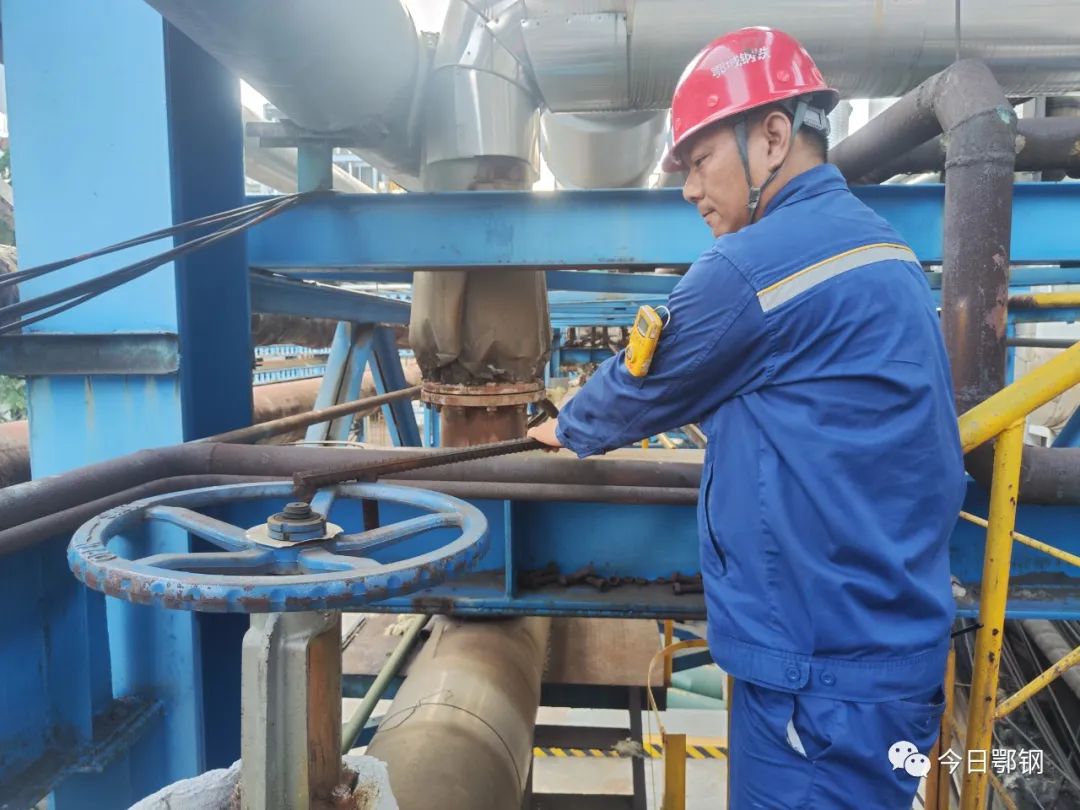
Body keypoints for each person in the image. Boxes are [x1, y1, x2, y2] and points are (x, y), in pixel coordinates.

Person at [527, 27, 966, 809]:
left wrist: (565, 426)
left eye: (700, 161)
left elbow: (644, 381)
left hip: (820, 683)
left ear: (771, 137)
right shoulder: (885, 249)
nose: (689, 189)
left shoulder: (752, 269)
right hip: (873, 655)